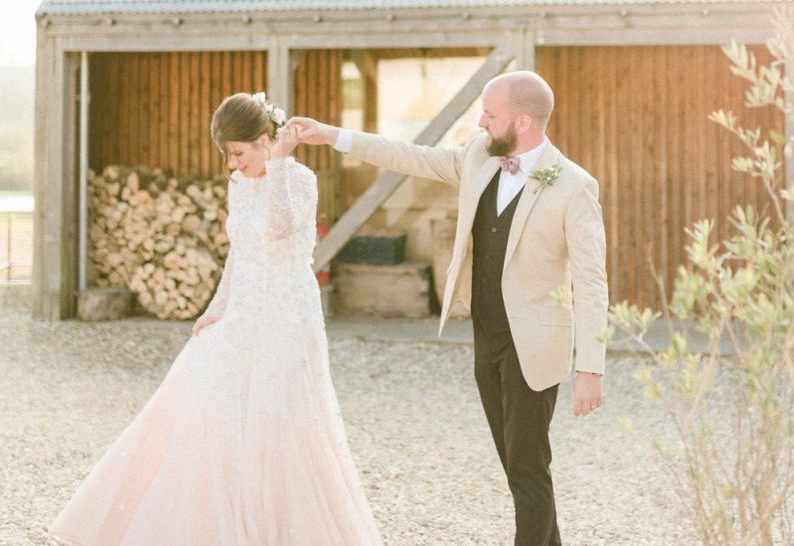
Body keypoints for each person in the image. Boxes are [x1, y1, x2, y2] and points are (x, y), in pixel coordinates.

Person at [49, 92, 384, 546]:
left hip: (287, 312)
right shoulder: (239, 185)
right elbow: (239, 252)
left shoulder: (300, 178)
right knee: (207, 400)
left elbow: (279, 227)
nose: (233, 165)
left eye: (239, 153)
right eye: (228, 156)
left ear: (266, 140)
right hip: (243, 308)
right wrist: (217, 306)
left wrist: (282, 163)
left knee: (277, 412)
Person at [289, 70, 608, 546]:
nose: (481, 121)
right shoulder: (479, 157)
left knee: (527, 469)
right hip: (487, 338)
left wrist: (591, 369)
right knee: (521, 469)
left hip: (536, 346)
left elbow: (592, 281)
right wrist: (333, 135)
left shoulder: (573, 185)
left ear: (522, 122)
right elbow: (409, 156)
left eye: (490, 114)